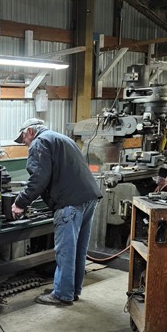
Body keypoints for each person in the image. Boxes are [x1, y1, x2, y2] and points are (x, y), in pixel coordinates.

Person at [11, 118, 101, 306]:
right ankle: (71, 289)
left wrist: (20, 203)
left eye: (23, 139)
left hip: (69, 203)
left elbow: (38, 178)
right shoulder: (62, 138)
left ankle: (62, 294)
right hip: (88, 198)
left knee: (65, 251)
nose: (25, 143)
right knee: (77, 249)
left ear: (29, 131)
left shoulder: (39, 142)